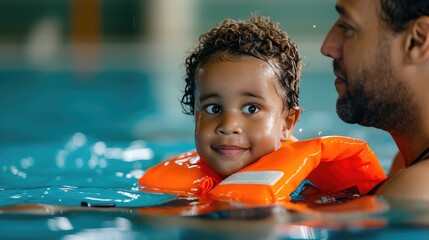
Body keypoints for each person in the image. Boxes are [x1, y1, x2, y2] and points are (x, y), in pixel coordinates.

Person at [139, 15, 386, 205]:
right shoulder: (178, 188)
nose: (228, 125)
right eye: (213, 108)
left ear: (287, 124)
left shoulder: (306, 192)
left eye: (251, 108)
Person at [321, 0, 429, 200]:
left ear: (417, 40)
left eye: (347, 26)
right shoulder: (405, 166)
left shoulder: (417, 190)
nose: (328, 47)